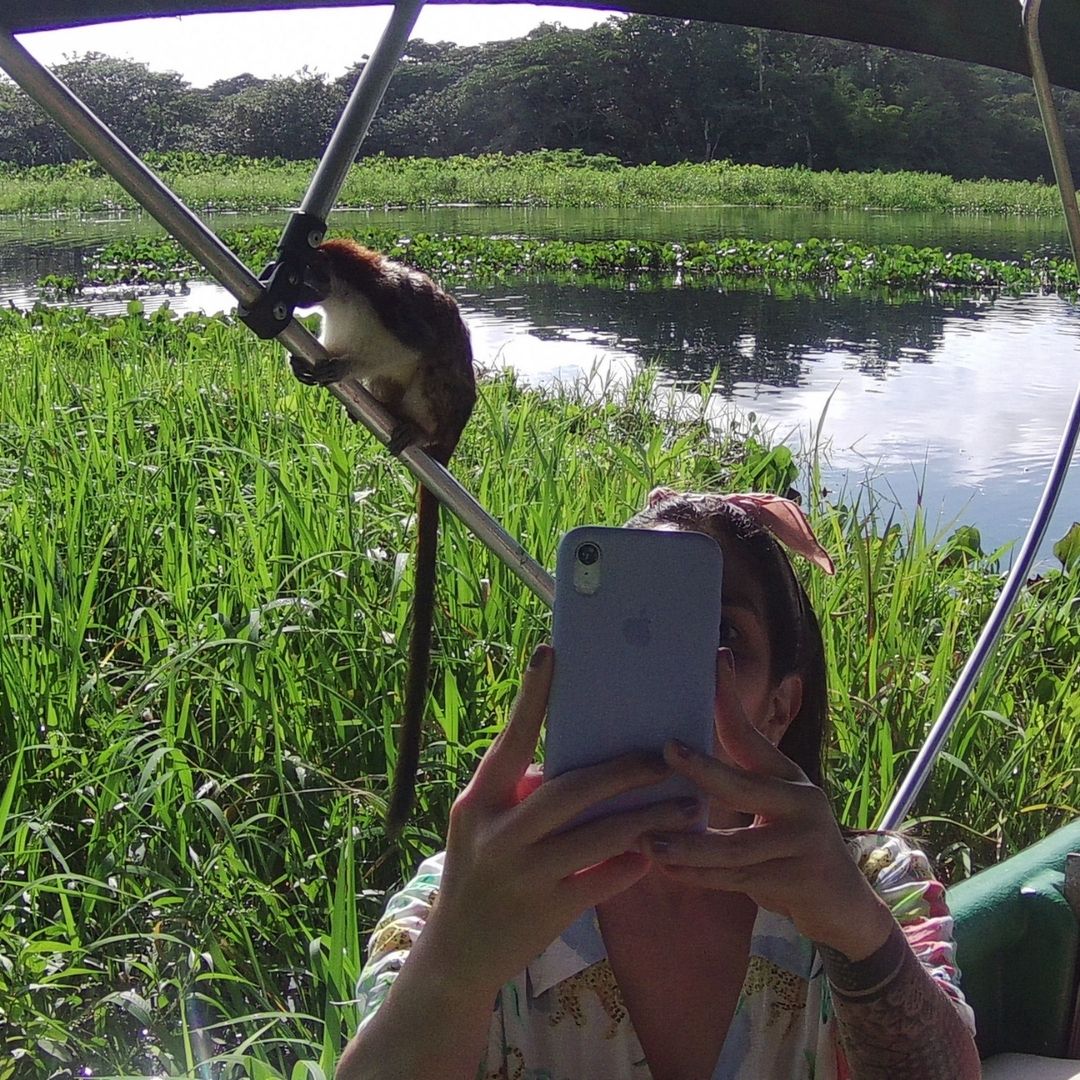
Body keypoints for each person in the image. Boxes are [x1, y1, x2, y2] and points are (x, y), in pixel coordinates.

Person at [336, 489, 981, 1080]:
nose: (674, 666)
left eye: (722, 635)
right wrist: (456, 964)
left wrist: (860, 937)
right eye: (629, 628)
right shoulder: (467, 894)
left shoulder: (874, 884)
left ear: (780, 708)